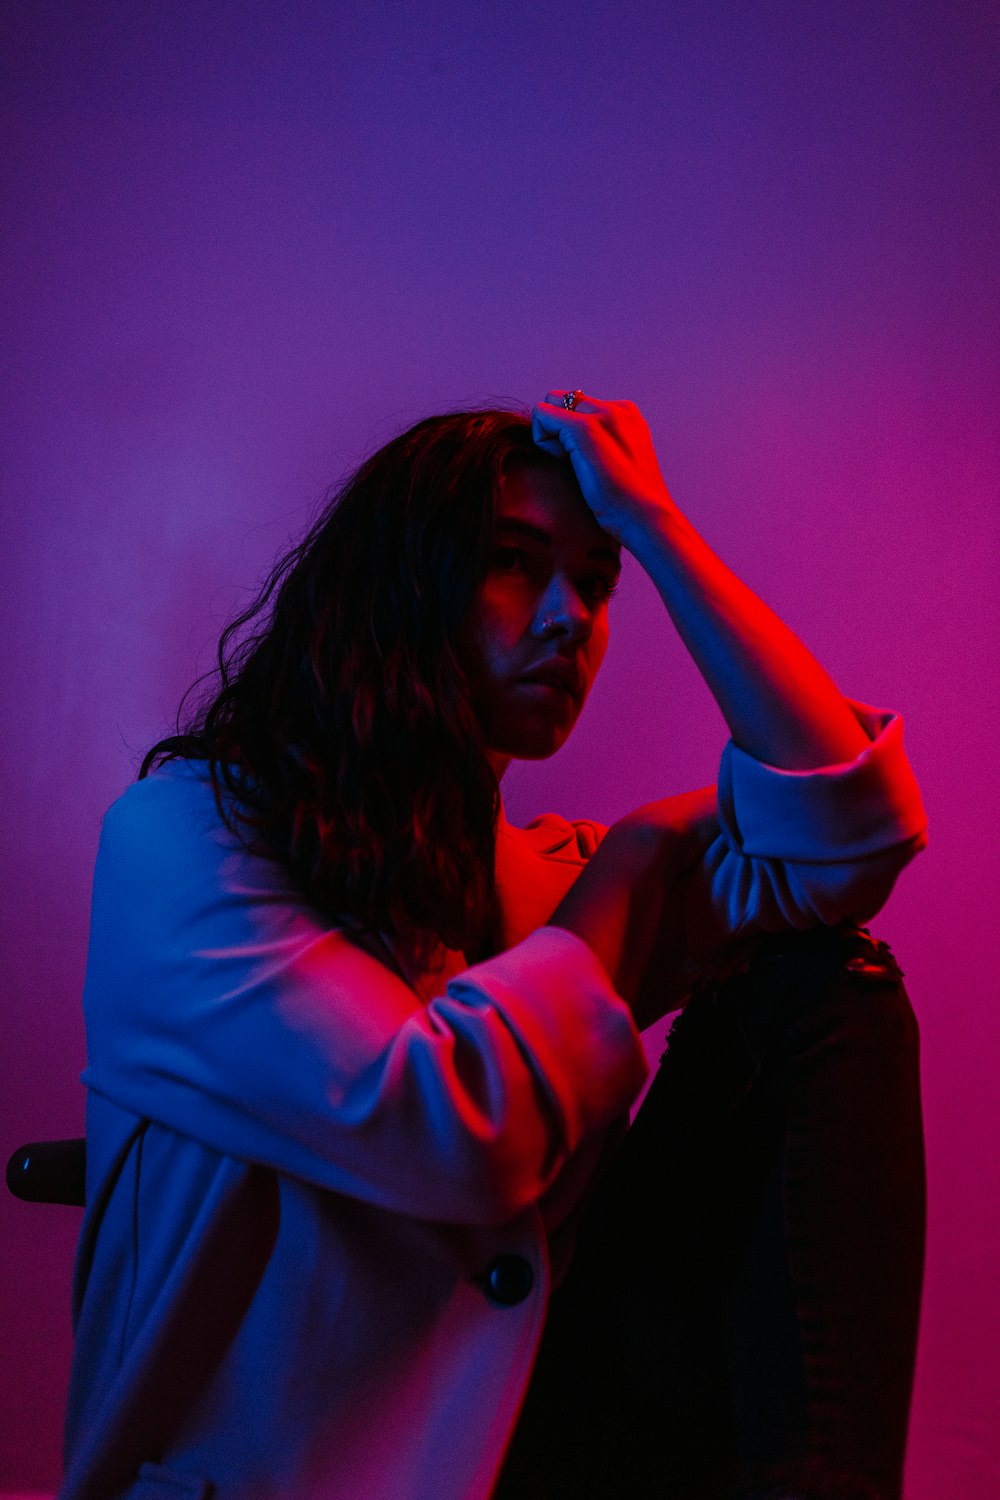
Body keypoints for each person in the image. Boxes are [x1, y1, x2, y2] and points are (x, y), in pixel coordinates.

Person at [59, 392, 928, 1500]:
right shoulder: (188, 836)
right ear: (398, 587)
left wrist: (655, 527)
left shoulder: (547, 873)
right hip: (307, 1473)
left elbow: (857, 831)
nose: (571, 615)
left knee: (823, 987)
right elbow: (448, 1131)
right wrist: (633, 861)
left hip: (537, 1434)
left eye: (598, 581)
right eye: (516, 563)